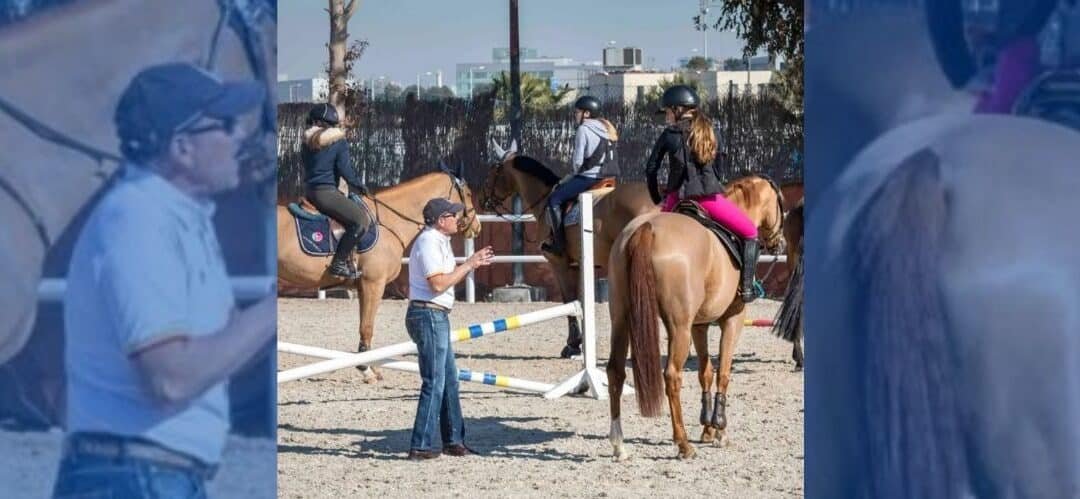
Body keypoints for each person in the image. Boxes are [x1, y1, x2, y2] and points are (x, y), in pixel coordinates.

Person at [54, 62, 277, 498]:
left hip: (148, 475)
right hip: (132, 478)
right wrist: (273, 309)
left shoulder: (180, 220)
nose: (239, 139)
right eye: (227, 125)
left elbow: (223, 353)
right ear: (182, 148)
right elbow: (171, 379)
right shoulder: (139, 219)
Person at [645, 84, 760, 302]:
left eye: (668, 111)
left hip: (675, 200)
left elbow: (651, 169)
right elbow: (720, 168)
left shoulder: (670, 135)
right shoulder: (711, 130)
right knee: (750, 232)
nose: (667, 116)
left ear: (679, 109)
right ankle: (746, 288)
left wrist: (658, 198)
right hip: (709, 200)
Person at [405, 198, 494, 460]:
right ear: (441, 220)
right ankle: (420, 445)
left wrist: (470, 263)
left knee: (450, 380)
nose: (458, 219)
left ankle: (453, 440)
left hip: (435, 315)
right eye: (453, 216)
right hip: (428, 314)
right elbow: (438, 284)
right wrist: (469, 265)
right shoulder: (428, 242)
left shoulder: (438, 241)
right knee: (434, 381)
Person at [541, 95, 619, 256]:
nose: (575, 115)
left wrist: (573, 174)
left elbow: (577, 162)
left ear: (587, 114)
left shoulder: (584, 129)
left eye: (577, 112)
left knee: (554, 199)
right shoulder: (607, 128)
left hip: (589, 178)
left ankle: (559, 244)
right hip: (609, 177)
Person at [302, 102, 371, 279]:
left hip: (310, 191)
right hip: (326, 193)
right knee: (361, 220)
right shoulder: (338, 142)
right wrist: (359, 185)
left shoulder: (307, 141)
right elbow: (345, 170)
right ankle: (338, 263)